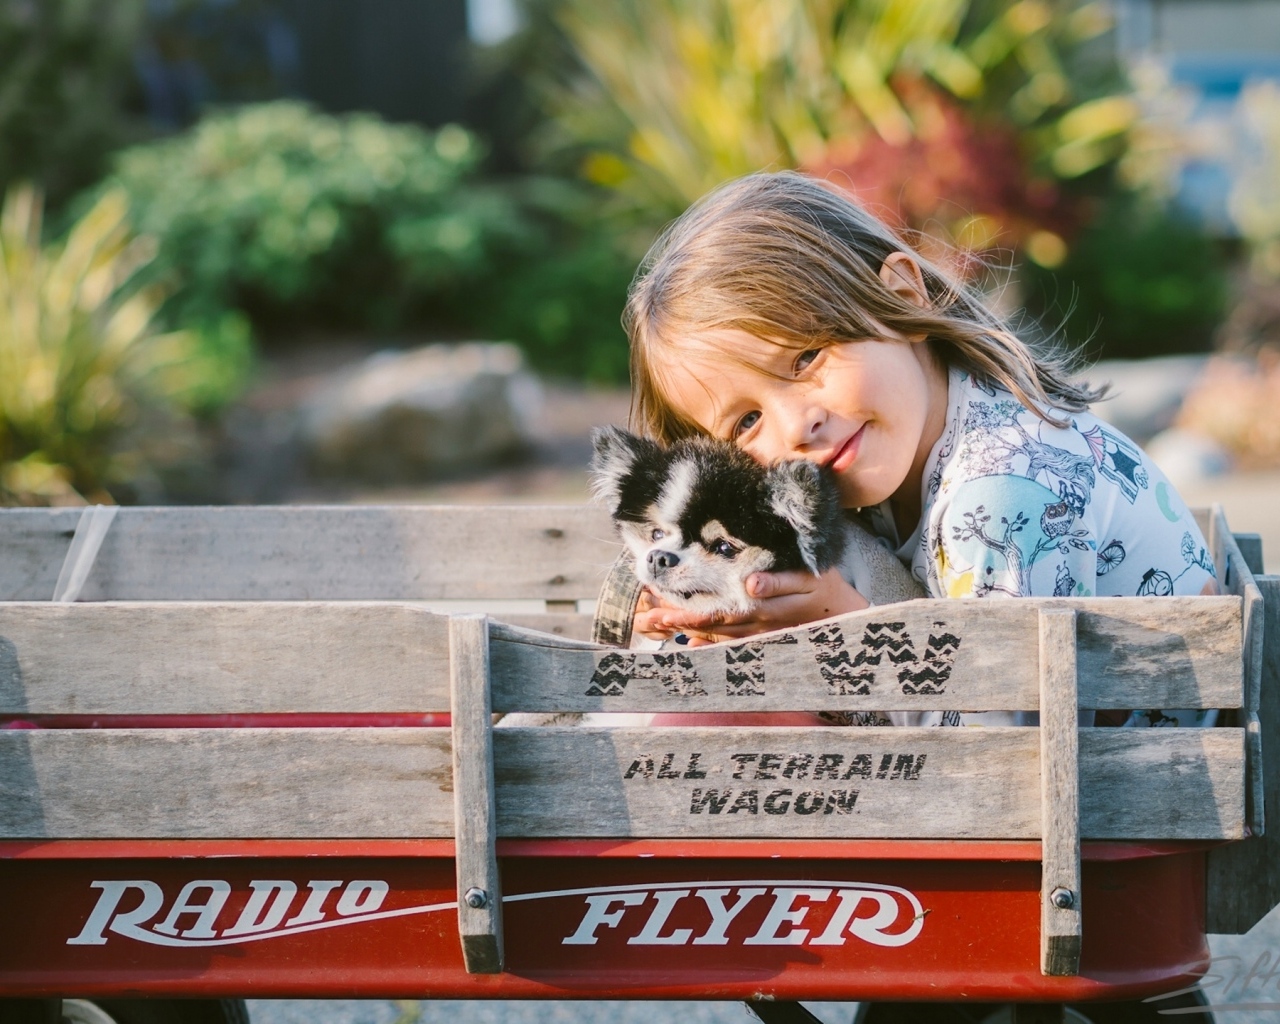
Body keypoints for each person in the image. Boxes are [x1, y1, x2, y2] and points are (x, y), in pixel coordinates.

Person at [620, 170, 1218, 728]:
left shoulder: (998, 497)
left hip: (1120, 816)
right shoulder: (883, 460)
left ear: (905, 295)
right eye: (746, 421)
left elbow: (989, 756)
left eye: (807, 358)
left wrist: (837, 627)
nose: (796, 427)